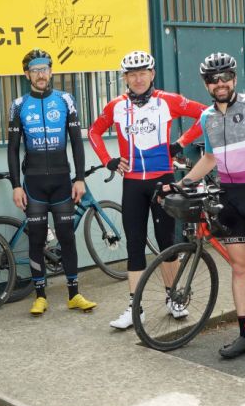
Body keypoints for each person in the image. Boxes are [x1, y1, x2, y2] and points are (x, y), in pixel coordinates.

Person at [88, 50, 206, 329]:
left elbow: (205, 114)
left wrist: (180, 143)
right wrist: (108, 160)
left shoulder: (168, 100)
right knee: (134, 244)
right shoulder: (116, 105)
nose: (138, 79)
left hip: (161, 180)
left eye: (143, 73)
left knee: (167, 241)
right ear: (125, 78)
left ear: (152, 74)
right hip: (132, 184)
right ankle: (135, 307)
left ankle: (173, 298)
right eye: (132, 74)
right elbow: (94, 132)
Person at [171, 52, 245, 358]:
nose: (220, 83)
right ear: (206, 84)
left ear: (235, 78)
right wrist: (182, 184)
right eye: (213, 80)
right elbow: (210, 158)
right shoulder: (207, 117)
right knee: (239, 269)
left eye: (226, 77)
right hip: (229, 197)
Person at [7, 48, 96, 316]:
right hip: (33, 184)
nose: (40, 74)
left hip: (61, 182)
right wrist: (16, 185)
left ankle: (74, 294)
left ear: (51, 71)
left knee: (67, 237)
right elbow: (12, 149)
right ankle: (40, 296)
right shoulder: (19, 104)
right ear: (27, 75)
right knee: (36, 239)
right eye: (35, 70)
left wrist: (79, 178)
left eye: (44, 69)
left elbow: (77, 142)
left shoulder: (65, 100)